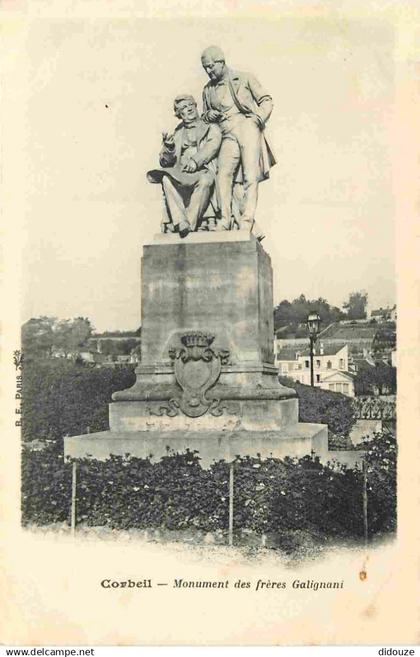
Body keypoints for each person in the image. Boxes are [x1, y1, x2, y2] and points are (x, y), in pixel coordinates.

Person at [201, 45, 276, 236]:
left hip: (246, 127)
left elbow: (266, 100)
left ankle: (246, 221)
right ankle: (225, 220)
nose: (209, 71)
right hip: (226, 133)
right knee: (222, 175)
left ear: (221, 61)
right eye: (205, 68)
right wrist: (210, 115)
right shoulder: (208, 89)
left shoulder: (244, 78)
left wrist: (257, 118)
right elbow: (205, 115)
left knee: (251, 176)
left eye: (211, 66)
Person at [147, 94, 222, 237]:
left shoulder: (210, 127)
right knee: (166, 179)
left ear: (195, 106)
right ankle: (180, 221)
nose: (188, 110)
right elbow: (165, 163)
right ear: (179, 114)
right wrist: (169, 148)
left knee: (206, 181)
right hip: (181, 172)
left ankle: (189, 223)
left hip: (203, 170)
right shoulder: (178, 132)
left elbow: (212, 146)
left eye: (189, 105)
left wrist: (195, 161)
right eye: (182, 108)